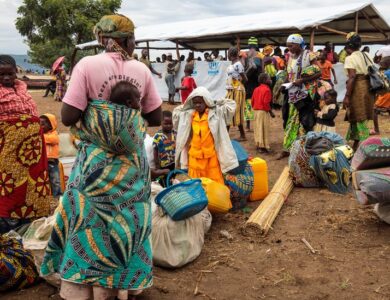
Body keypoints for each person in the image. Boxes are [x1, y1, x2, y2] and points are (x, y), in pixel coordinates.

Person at [40, 14, 162, 300]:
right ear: (128, 40)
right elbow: (155, 116)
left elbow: (69, 116)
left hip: (96, 163)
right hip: (131, 166)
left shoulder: (87, 64)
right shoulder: (141, 70)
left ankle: (85, 290)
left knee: (88, 222)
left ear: (102, 39)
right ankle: (123, 289)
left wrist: (100, 113)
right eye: (133, 39)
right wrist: (127, 113)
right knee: (129, 222)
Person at [0, 55, 50, 234]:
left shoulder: (24, 90)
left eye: (10, 74)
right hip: (8, 155)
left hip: (33, 155)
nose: (6, 78)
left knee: (30, 190)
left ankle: (29, 229)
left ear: (16, 73)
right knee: (10, 189)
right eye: (1, 74)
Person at [173, 87, 238, 184]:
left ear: (206, 102)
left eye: (200, 102)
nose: (197, 105)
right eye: (195, 103)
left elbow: (231, 104)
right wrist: (187, 105)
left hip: (210, 156)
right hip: (195, 156)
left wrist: (214, 102)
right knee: (196, 183)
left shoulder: (215, 113)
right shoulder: (189, 114)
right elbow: (176, 112)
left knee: (213, 182)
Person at [278, 34, 321, 159]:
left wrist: (302, 81)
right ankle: (288, 147)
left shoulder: (309, 55)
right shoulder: (290, 57)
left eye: (291, 46)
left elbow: (318, 72)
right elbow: (289, 74)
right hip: (292, 92)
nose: (289, 48)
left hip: (305, 94)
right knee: (290, 119)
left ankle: (303, 149)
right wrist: (284, 84)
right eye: (288, 46)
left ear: (298, 44)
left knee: (304, 120)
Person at [343, 32, 375, 151]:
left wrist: (346, 96)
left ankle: (365, 146)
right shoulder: (367, 55)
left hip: (358, 88)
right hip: (369, 87)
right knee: (361, 114)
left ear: (348, 47)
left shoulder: (350, 58)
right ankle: (356, 144)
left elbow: (352, 77)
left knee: (359, 115)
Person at [226, 46, 248, 141]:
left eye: (228, 53)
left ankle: (241, 136)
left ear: (230, 54)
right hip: (231, 90)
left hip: (238, 90)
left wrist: (237, 82)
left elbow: (245, 78)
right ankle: (226, 135)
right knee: (229, 110)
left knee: (235, 110)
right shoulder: (232, 64)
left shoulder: (238, 64)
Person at [40, 114, 62, 197]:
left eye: (43, 124)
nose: (40, 126)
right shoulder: (40, 135)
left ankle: (57, 195)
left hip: (52, 161)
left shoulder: (54, 134)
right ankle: (46, 194)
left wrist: (41, 137)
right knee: (44, 179)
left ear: (50, 125)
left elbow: (53, 140)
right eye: (39, 124)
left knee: (55, 179)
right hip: (43, 161)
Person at [244, 39, 262, 132]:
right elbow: (261, 73)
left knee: (248, 104)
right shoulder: (258, 58)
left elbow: (245, 72)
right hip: (255, 85)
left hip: (249, 84)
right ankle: (253, 125)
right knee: (253, 104)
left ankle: (248, 125)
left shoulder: (247, 58)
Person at [153, 111, 176, 186]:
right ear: (161, 123)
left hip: (173, 163)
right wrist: (157, 166)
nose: (168, 126)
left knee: (172, 178)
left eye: (170, 124)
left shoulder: (175, 133)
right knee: (163, 181)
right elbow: (155, 150)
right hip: (163, 165)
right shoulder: (158, 136)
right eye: (166, 124)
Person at [252, 73, 273, 153]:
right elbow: (266, 103)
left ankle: (259, 145)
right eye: (269, 78)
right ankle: (265, 146)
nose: (270, 80)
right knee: (264, 129)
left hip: (256, 111)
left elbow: (253, 101)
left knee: (258, 128)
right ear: (265, 80)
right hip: (263, 111)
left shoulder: (256, 89)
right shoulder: (267, 90)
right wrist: (270, 112)